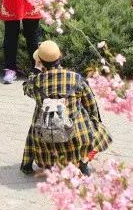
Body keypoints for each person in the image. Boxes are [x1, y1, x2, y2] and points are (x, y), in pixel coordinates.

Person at [21, 40, 112, 176]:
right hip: (76, 141)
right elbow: (91, 105)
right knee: (103, 133)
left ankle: (27, 164)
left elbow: (26, 88)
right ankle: (85, 161)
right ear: (60, 57)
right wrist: (94, 122)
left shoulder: (36, 81)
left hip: (46, 149)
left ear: (39, 61)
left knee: (35, 125)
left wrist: (35, 71)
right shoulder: (76, 78)